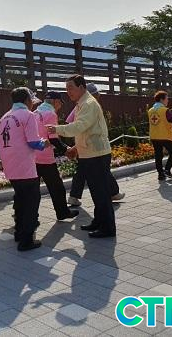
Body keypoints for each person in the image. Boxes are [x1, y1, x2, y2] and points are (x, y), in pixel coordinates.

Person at [48, 75, 116, 238]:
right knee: (95, 191)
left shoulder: (89, 104)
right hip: (89, 154)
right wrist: (76, 148)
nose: (68, 91)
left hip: (97, 155)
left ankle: (107, 228)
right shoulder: (81, 104)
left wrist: (57, 129)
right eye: (66, 88)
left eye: (71, 87)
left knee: (101, 192)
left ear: (82, 87)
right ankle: (99, 221)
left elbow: (79, 127)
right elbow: (84, 132)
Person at [0, 87, 49, 251]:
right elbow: (33, 142)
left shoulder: (4, 117)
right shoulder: (28, 115)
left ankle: (19, 231)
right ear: (27, 100)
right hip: (25, 165)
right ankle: (26, 240)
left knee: (20, 198)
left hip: (10, 166)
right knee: (31, 202)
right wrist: (45, 143)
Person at [66, 83, 125, 206]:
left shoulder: (83, 105)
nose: (99, 95)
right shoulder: (88, 105)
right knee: (102, 169)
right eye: (97, 93)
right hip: (90, 146)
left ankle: (74, 196)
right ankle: (113, 193)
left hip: (84, 144)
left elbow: (71, 122)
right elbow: (79, 126)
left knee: (82, 171)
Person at [34, 91, 79, 221]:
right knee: (57, 187)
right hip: (45, 157)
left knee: (32, 189)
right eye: (60, 103)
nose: (60, 106)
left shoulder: (35, 112)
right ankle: (62, 212)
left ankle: (29, 216)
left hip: (32, 156)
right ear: (55, 101)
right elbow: (53, 138)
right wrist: (67, 150)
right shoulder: (51, 114)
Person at [148, 91, 172, 181]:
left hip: (154, 136)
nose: (167, 100)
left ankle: (160, 174)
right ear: (162, 99)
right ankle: (167, 170)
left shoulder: (150, 110)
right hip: (165, 135)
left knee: (158, 155)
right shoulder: (165, 110)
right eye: (167, 98)